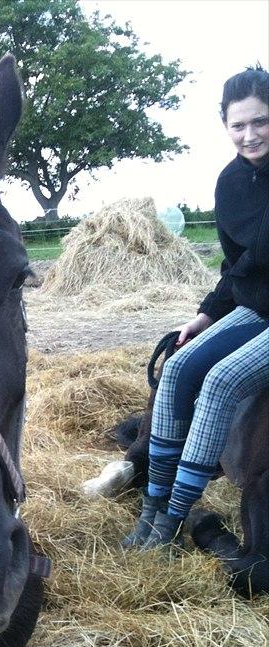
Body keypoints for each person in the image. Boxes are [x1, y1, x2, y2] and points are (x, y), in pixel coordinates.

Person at [123, 66, 269, 551]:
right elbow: (236, 267)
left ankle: (171, 525)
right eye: (238, 125)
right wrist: (206, 315)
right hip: (256, 307)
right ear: (225, 125)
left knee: (223, 381)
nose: (249, 135)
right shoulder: (230, 183)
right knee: (181, 364)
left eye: (260, 122)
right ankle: (152, 508)